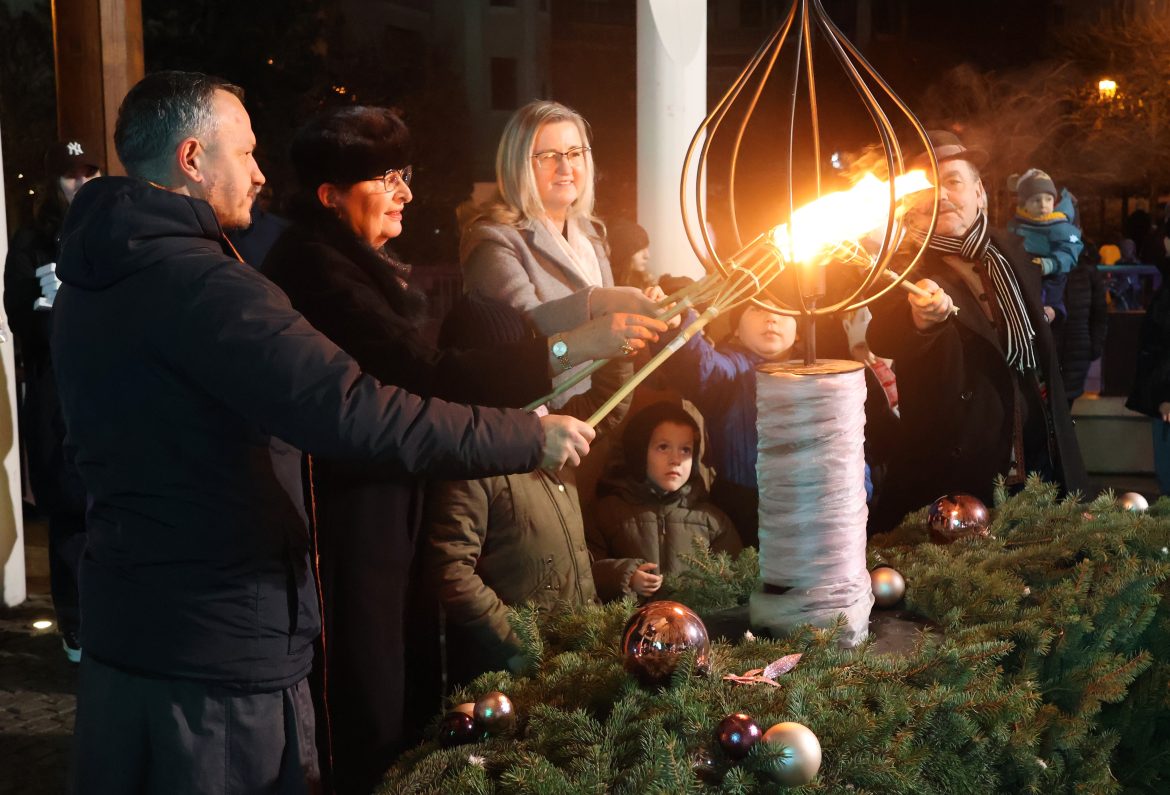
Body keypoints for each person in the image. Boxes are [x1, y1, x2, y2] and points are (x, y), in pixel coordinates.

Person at [52, 71, 595, 794]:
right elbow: (355, 408)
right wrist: (526, 437)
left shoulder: (94, 278)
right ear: (192, 159)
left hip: (131, 623)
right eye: (246, 152)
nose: (260, 173)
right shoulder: (209, 288)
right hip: (219, 642)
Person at [259, 105, 664, 794]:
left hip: (403, 492)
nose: (406, 192)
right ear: (330, 194)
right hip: (353, 510)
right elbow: (437, 371)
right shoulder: (320, 271)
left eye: (405, 174)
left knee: (402, 679)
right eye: (387, 178)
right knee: (367, 688)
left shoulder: (356, 261)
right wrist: (573, 346)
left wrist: (602, 321)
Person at [866, 131, 1087, 535]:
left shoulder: (1012, 251)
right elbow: (883, 333)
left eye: (952, 181)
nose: (941, 195)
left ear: (979, 192)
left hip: (1039, 467)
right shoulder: (902, 267)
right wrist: (922, 320)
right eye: (926, 188)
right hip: (957, 483)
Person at [425, 295, 634, 687]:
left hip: (575, 647)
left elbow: (609, 402)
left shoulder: (547, 426)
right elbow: (452, 571)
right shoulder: (471, 462)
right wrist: (522, 645)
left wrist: (622, 337)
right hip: (518, 673)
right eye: (511, 359)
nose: (524, 370)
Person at [459, 99, 658, 404]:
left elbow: (609, 334)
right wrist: (599, 302)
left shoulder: (590, 233)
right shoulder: (494, 240)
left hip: (600, 406)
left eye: (575, 153)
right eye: (549, 156)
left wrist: (645, 314)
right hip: (542, 417)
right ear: (518, 164)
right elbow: (528, 335)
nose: (566, 168)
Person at [4, 139, 101, 662]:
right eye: (70, 174)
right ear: (53, 181)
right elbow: (21, 315)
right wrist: (53, 312)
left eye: (89, 171)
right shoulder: (33, 239)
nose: (81, 182)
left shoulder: (113, 230)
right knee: (69, 510)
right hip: (56, 392)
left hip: (111, 388)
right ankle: (77, 628)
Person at [653, 300, 799, 548]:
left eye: (782, 310)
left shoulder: (825, 372)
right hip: (742, 505)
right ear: (737, 329)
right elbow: (700, 367)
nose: (771, 318)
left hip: (810, 501)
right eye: (757, 309)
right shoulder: (731, 371)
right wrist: (679, 327)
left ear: (800, 331)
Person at [587, 401, 740, 602]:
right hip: (629, 619)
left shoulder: (711, 520)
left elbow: (736, 579)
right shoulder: (608, 514)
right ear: (639, 452)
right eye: (663, 447)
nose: (676, 459)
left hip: (694, 620)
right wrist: (625, 576)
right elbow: (585, 571)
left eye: (685, 450)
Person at [1006, 169, 1084, 323]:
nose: (1043, 205)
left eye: (1048, 199)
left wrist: (1052, 263)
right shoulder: (1015, 226)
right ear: (1025, 203)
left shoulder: (1061, 226)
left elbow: (1070, 249)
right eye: (1036, 200)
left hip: (1051, 275)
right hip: (1025, 274)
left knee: (1050, 293)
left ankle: (1044, 314)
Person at [607, 218, 654, 290]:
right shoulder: (609, 286)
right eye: (640, 249)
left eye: (647, 247)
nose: (647, 256)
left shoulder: (646, 282)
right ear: (623, 253)